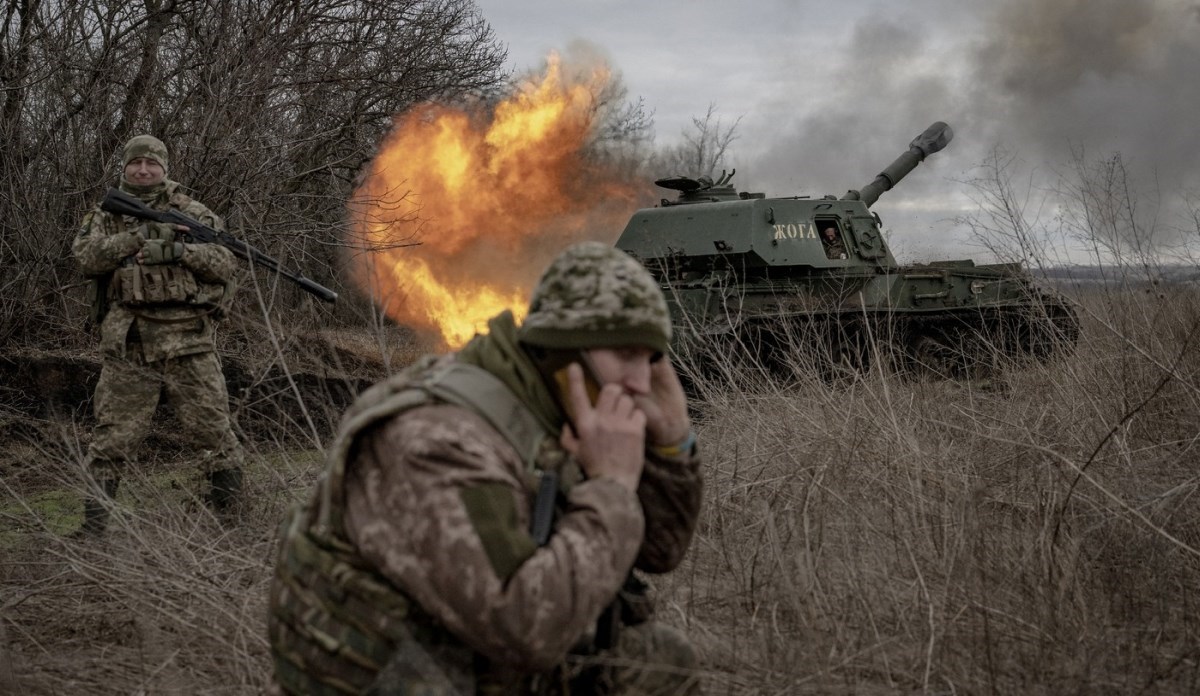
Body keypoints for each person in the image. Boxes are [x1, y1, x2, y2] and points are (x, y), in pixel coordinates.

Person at [268, 242, 704, 695]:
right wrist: (611, 487)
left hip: (472, 654)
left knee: (660, 661)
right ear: (565, 352)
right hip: (407, 675)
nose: (640, 381)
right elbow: (523, 631)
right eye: (626, 355)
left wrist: (673, 442)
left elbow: (660, 550)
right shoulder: (438, 440)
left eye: (651, 358)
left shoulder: (560, 404)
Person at [72, 134, 245, 534]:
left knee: (214, 431)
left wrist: (179, 251)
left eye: (153, 164)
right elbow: (85, 257)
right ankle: (92, 530)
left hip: (190, 341)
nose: (144, 170)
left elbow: (225, 262)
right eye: (137, 164)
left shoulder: (192, 211)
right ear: (126, 168)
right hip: (129, 342)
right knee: (112, 439)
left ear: (165, 169)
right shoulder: (105, 214)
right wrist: (137, 238)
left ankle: (234, 524)